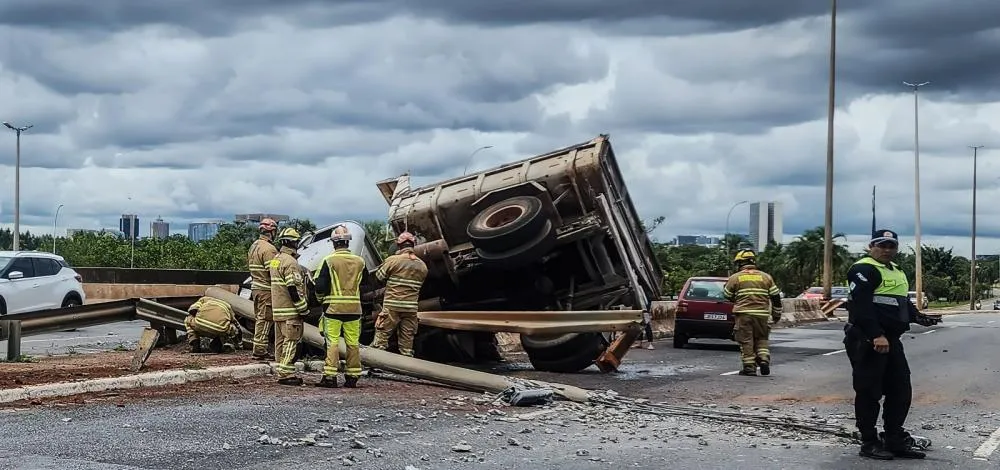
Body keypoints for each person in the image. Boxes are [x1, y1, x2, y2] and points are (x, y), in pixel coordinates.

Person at [845, 229, 941, 460]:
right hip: (868, 339)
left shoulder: (895, 271)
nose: (887, 250)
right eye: (882, 245)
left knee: (900, 389)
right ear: (871, 246)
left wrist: (919, 317)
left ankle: (894, 438)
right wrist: (876, 334)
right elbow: (862, 306)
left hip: (892, 339)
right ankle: (869, 442)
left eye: (891, 246)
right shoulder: (863, 269)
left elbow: (900, 302)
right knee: (869, 391)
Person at [312, 225, 368, 388]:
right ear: (348, 243)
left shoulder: (328, 261)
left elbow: (320, 287)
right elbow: (365, 286)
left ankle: (330, 376)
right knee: (353, 343)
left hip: (333, 309)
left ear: (334, 243)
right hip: (354, 310)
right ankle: (353, 376)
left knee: (332, 343)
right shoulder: (360, 262)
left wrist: (321, 300)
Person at [723, 249, 782, 376]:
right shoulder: (766, 277)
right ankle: (764, 359)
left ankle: (749, 368)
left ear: (740, 263)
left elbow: (726, 294)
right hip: (762, 315)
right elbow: (776, 296)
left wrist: (737, 298)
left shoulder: (736, 277)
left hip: (744, 314)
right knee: (762, 338)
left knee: (746, 340)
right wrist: (776, 314)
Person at [370, 231, 428, 357]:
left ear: (399, 245)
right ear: (413, 245)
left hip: (392, 306)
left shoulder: (393, 261)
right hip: (411, 308)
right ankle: (406, 366)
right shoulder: (422, 266)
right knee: (407, 342)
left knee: (381, 337)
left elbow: (379, 277)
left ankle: (376, 363)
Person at [268, 227, 309, 386]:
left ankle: (282, 369)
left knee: (280, 343)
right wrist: (303, 309)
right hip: (290, 312)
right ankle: (285, 374)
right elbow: (294, 289)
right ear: (294, 242)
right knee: (291, 342)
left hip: (278, 311)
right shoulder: (291, 263)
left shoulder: (276, 260)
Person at [247, 217, 279, 360]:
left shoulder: (254, 245)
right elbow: (274, 272)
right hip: (266, 289)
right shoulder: (269, 249)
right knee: (265, 320)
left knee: (260, 318)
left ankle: (259, 348)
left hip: (256, 288)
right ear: (272, 232)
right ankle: (260, 350)